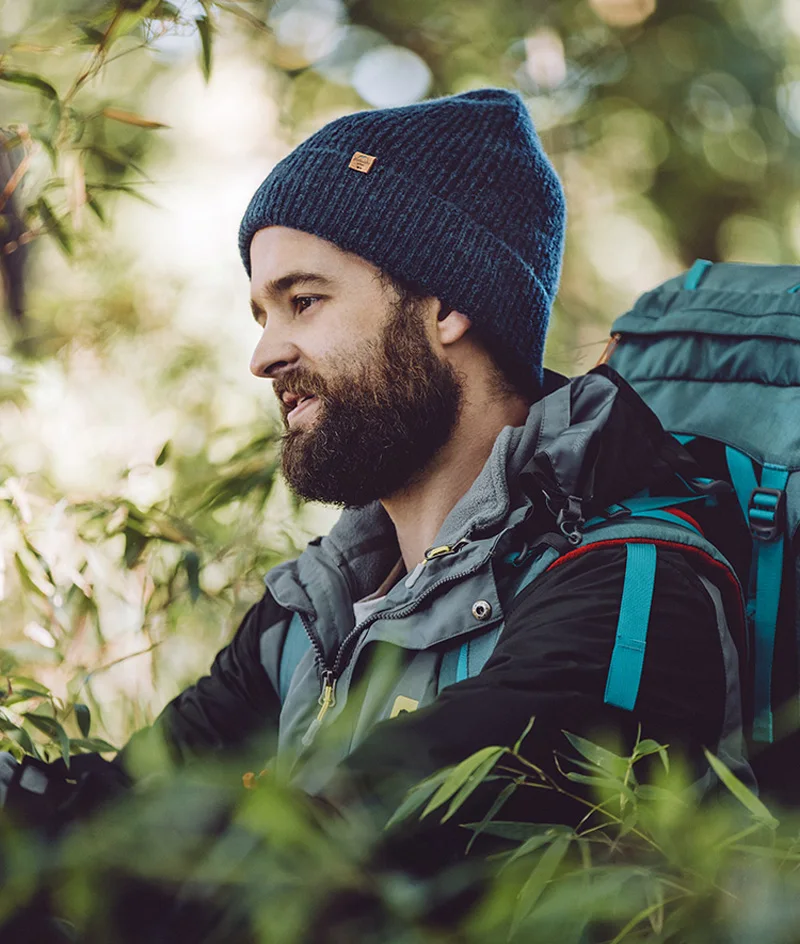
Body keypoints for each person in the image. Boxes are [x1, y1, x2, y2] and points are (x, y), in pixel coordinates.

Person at [0, 89, 749, 839]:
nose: (263, 356)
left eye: (304, 300)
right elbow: (108, 818)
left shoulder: (629, 587)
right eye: (262, 315)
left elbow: (332, 856)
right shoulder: (312, 611)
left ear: (448, 305)